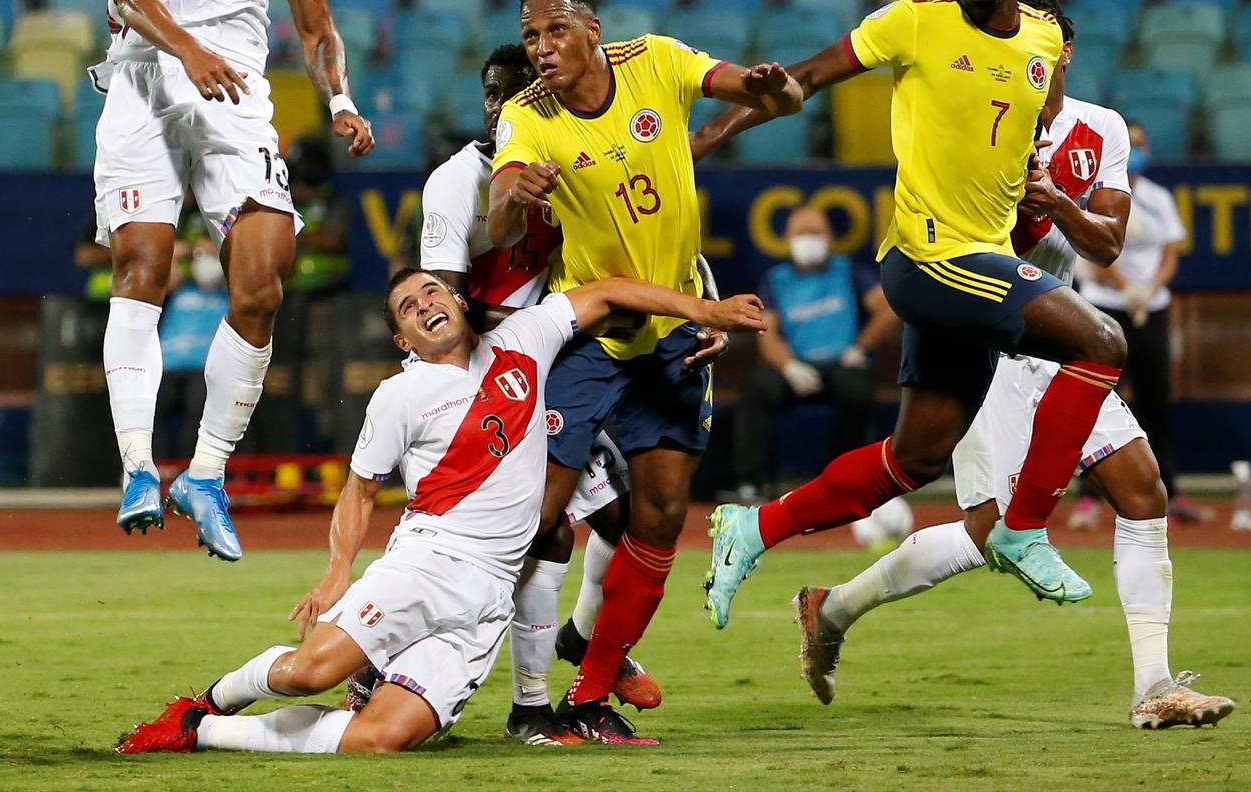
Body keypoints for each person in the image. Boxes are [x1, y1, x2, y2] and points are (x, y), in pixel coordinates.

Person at [791, 0, 1237, 730]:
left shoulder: (1101, 130)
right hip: (987, 334)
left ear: (1057, 48)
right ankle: (830, 609)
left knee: (1141, 490)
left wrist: (1055, 198)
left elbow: (1104, 243)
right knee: (982, 534)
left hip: (1062, 336)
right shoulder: (967, 114)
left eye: (1037, 32)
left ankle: (1154, 685)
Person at [694, 0, 1129, 626]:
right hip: (930, 259)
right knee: (1101, 341)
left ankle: (753, 527)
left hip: (980, 260)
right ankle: (1023, 529)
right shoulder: (911, 23)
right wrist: (706, 138)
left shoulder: (1041, 41)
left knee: (914, 459)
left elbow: (1015, 134)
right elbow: (806, 75)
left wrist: (1040, 188)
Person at [116, 268, 765, 757]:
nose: (424, 303)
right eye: (407, 305)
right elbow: (359, 491)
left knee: (382, 738)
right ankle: (204, 702)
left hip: (487, 598)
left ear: (459, 301)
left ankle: (206, 735)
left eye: (432, 291)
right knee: (309, 671)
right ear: (402, 338)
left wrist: (703, 310)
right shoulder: (401, 394)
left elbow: (613, 290)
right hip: (425, 564)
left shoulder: (526, 338)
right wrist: (338, 569)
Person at [487, 0, 804, 742]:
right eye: (530, 36)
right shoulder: (528, 116)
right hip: (587, 333)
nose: (541, 48)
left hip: (673, 334)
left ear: (592, 28)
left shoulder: (657, 61)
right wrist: (514, 193)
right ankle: (438, 665)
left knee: (659, 516)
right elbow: (497, 224)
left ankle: (589, 697)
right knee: (535, 519)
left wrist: (770, 88)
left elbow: (782, 98)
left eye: (554, 30)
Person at [96, 0, 375, 562]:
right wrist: (192, 54)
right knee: (145, 266)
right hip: (146, 83)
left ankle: (207, 473)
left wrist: (339, 101)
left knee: (262, 281)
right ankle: (139, 466)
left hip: (235, 100)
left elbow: (316, 23)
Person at [419, 43, 661, 743]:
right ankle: (524, 706)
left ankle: (580, 645)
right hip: (486, 380)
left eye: (516, 93)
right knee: (537, 533)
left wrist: (696, 302)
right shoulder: (457, 182)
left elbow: (644, 244)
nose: (500, 108)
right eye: (492, 93)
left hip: (550, 373)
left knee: (623, 526)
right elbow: (440, 309)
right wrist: (545, 328)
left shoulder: (575, 163)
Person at [1075, 120, 1205, 522]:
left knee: (1155, 398)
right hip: (1103, 305)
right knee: (1092, 399)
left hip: (1151, 307)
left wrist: (1147, 291)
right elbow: (1093, 248)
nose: (1136, 151)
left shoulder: (1159, 198)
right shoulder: (1094, 194)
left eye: (1141, 144)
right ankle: (1090, 497)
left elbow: (1170, 255)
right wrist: (1125, 288)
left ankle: (1169, 489)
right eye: (1129, 144)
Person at [731, 205, 900, 502]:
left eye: (816, 233)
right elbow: (766, 331)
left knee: (858, 392)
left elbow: (887, 309)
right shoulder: (776, 280)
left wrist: (860, 347)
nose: (809, 239)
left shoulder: (848, 270)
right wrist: (788, 366)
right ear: (786, 238)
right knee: (757, 389)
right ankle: (749, 483)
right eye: (801, 233)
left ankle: (851, 481)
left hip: (842, 364)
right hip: (796, 369)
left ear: (831, 238)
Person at [154, 234, 229, 461]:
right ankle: (155, 464)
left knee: (198, 409)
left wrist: (221, 252)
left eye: (212, 256)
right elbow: (165, 261)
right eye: (202, 256)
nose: (207, 261)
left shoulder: (228, 294)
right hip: (168, 365)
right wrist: (190, 249)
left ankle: (188, 466)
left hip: (203, 367)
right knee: (151, 409)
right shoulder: (179, 289)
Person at [283, 139, 352, 296]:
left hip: (330, 289)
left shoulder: (333, 201)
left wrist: (295, 238)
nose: (298, 186)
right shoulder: (287, 203)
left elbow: (334, 239)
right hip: (290, 290)